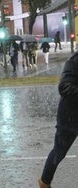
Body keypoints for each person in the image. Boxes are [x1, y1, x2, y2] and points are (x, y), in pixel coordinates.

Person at [38, 52, 78, 188]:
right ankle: (44, 182)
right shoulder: (74, 61)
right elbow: (64, 87)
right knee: (59, 152)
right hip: (70, 117)